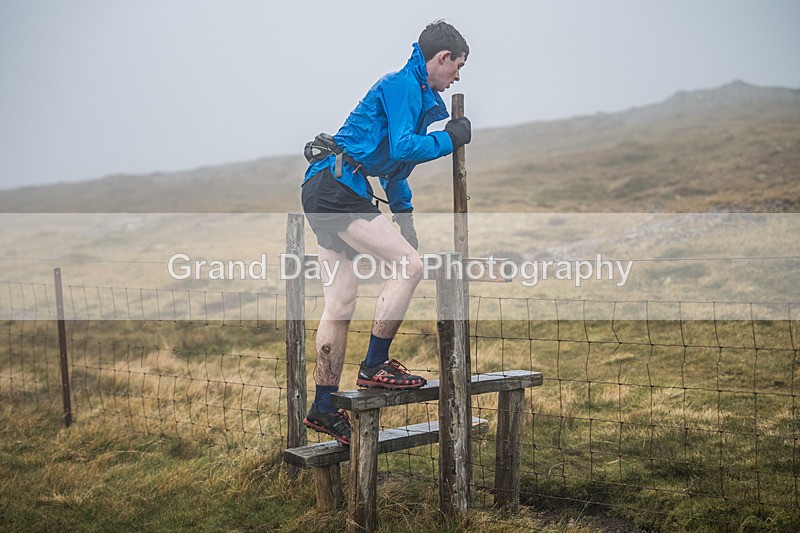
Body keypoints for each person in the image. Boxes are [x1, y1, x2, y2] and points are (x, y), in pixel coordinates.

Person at [300, 20, 471, 445]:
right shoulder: (402, 86)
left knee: (339, 303)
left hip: (322, 187)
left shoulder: (415, 96)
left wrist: (405, 218)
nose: (458, 77)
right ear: (442, 58)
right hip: (337, 188)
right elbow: (403, 149)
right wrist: (449, 139)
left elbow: (396, 170)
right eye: (458, 66)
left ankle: (323, 407)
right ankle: (375, 365)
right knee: (410, 266)